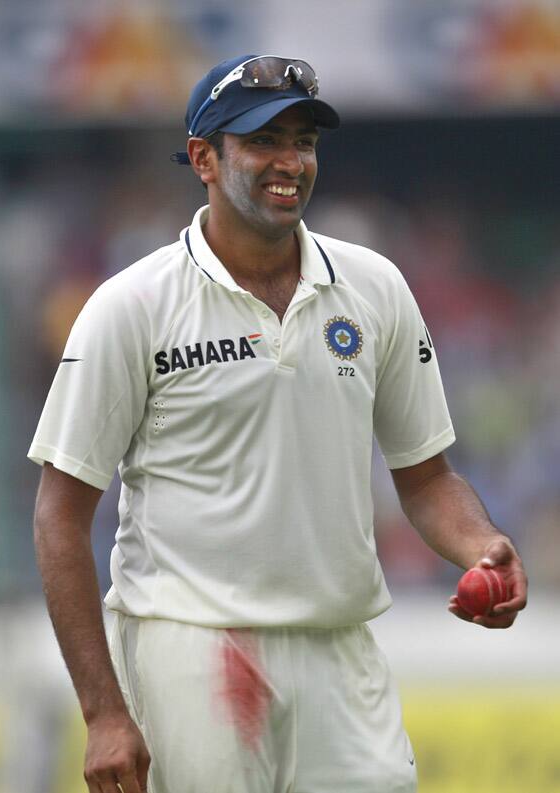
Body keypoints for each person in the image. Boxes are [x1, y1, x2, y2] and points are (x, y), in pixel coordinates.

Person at [29, 54, 528, 793]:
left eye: (304, 140)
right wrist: (104, 712)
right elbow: (59, 517)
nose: (290, 161)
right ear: (204, 157)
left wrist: (482, 546)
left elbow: (425, 477)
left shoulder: (375, 287)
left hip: (341, 652)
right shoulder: (130, 305)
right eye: (263, 140)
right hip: (192, 650)